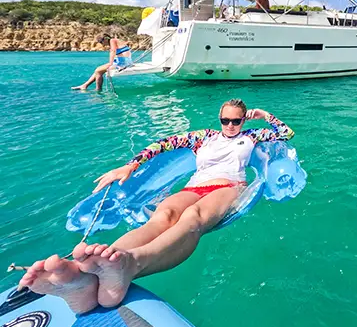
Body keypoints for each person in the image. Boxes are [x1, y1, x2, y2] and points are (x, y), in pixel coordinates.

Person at [18, 99, 294, 314]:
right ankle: (86, 278)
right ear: (219, 119)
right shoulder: (205, 136)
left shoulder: (253, 136)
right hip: (194, 186)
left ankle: (131, 264)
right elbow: (163, 144)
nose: (231, 125)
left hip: (227, 187)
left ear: (243, 119)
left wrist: (264, 115)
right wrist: (131, 165)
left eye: (236, 120)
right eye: (226, 120)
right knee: (163, 215)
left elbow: (286, 133)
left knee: (192, 218)